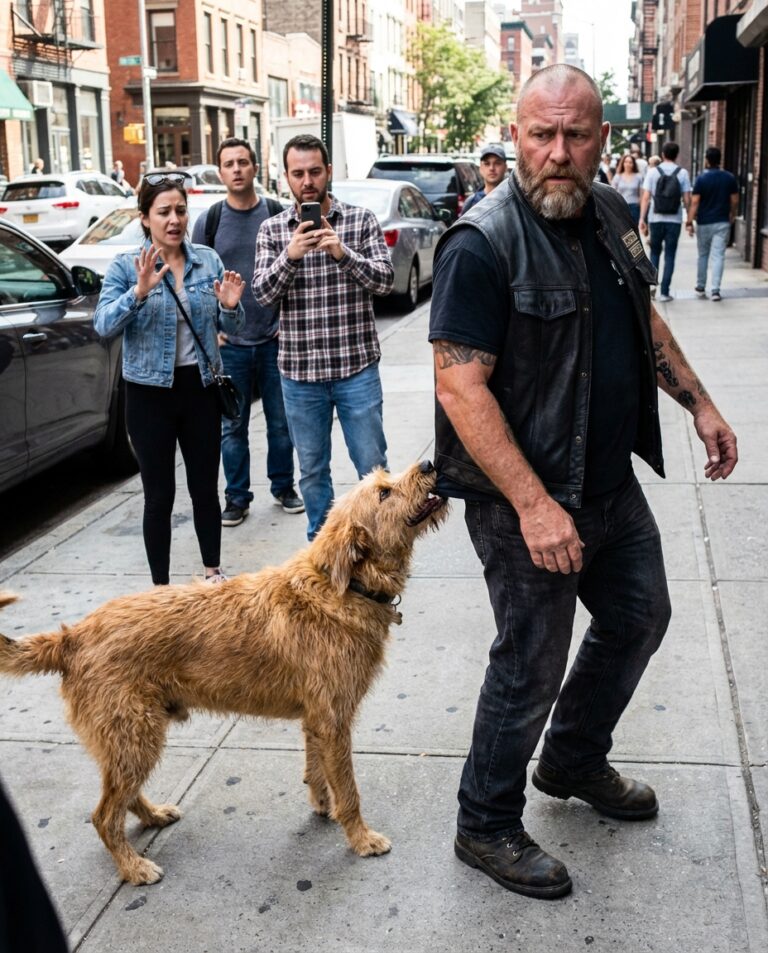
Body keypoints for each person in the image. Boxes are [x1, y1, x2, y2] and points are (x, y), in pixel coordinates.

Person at [428, 64, 738, 900]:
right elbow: (459, 385)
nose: (557, 153)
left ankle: (570, 757)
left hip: (606, 483)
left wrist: (699, 404)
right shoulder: (481, 242)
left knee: (640, 614)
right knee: (528, 661)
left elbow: (640, 314)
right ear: (516, 135)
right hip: (525, 500)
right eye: (541, 134)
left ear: (602, 139)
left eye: (575, 135)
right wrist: (533, 506)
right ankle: (484, 821)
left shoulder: (604, 212)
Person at [94, 172, 245, 584]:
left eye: (180, 210)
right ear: (145, 218)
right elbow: (104, 324)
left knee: (204, 489)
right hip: (148, 395)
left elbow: (231, 320)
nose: (174, 219)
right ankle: (160, 587)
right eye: (163, 212)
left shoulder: (208, 260)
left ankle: (212, 571)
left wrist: (231, 308)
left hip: (199, 389)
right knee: (159, 496)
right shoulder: (127, 267)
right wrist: (138, 293)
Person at [252, 134, 394, 541]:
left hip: (356, 369)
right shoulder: (273, 231)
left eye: (315, 171)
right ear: (286, 178)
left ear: (329, 171)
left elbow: (385, 281)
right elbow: (262, 295)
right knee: (313, 470)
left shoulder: (360, 220)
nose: (307, 181)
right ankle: (322, 547)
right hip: (300, 374)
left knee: (372, 465)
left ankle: (379, 543)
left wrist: (341, 253)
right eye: (298, 174)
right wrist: (290, 256)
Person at [192, 137, 303, 526]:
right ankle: (236, 498)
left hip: (275, 339)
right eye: (229, 164)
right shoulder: (210, 221)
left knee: (280, 422)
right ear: (221, 172)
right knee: (232, 426)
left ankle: (284, 486)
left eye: (243, 162)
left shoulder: (275, 213)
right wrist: (212, 328)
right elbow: (196, 279)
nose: (237, 169)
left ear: (255, 167)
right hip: (231, 344)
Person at [639, 141, 692, 302]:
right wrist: (689, 219)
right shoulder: (682, 173)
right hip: (674, 220)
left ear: (662, 155)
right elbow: (687, 199)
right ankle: (665, 292)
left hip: (656, 219)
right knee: (670, 255)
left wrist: (642, 218)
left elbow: (646, 197)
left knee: (654, 252)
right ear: (676, 155)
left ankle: (653, 286)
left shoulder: (653, 172)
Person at [686, 146, 739, 302]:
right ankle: (715, 290)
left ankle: (701, 286)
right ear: (719, 159)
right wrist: (733, 214)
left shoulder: (701, 179)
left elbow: (695, 202)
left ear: (707, 160)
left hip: (704, 222)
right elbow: (735, 200)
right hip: (722, 221)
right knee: (718, 256)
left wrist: (689, 221)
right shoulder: (729, 177)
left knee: (703, 255)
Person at [461, 145, 508, 214]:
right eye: (487, 164)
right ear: (480, 168)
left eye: (497, 163)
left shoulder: (515, 200)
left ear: (505, 167)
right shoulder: (471, 203)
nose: (491, 168)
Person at [611, 153, 644, 225]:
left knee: (633, 230)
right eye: (626, 162)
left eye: (630, 162)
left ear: (633, 164)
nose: (628, 164)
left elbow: (642, 194)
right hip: (621, 206)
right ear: (623, 163)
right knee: (623, 230)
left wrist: (642, 214)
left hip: (634, 206)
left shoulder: (638, 176)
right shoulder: (618, 176)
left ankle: (634, 236)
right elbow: (612, 192)